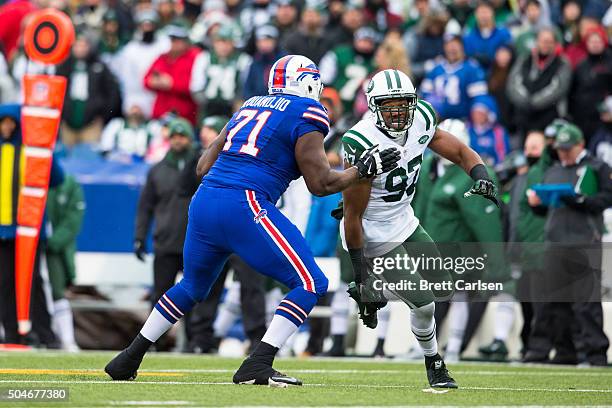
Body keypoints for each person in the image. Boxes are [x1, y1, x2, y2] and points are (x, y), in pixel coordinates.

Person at [105, 55, 402, 386]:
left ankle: (129, 356)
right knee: (310, 283)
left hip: (205, 201)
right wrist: (363, 169)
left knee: (191, 286)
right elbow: (321, 185)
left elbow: (202, 167)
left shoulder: (250, 106)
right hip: (245, 203)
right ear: (306, 83)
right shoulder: (308, 111)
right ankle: (258, 363)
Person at [340, 70, 499, 388]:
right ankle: (434, 362)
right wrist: (362, 275)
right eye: (389, 106)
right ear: (373, 107)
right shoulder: (360, 140)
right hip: (374, 231)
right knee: (424, 302)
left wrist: (479, 173)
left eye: (404, 104)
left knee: (444, 289)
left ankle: (379, 294)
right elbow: (352, 215)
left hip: (405, 219)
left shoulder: (423, 117)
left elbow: (458, 151)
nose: (398, 113)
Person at [526, 123, 611, 366]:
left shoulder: (597, 167)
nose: (563, 153)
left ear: (580, 145)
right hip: (555, 241)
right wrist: (537, 203)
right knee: (555, 301)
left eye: (567, 148)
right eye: (560, 149)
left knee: (586, 302)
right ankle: (565, 351)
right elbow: (547, 208)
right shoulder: (553, 170)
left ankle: (595, 353)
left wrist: (580, 200)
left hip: (584, 240)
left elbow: (606, 197)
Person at [0, 103, 63, 347]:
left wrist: (45, 149)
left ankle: (44, 335)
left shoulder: (33, 149)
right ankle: (12, 334)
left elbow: (57, 179)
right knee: (5, 284)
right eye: (3, 122)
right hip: (3, 232)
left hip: (29, 229)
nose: (6, 127)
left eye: (10, 122)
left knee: (33, 282)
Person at [133, 117, 197, 349]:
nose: (178, 140)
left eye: (183, 136)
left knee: (194, 294)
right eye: (175, 136)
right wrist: (140, 237)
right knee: (160, 294)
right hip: (166, 241)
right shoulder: (157, 170)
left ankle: (194, 342)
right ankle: (155, 342)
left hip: (194, 241)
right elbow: (145, 207)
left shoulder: (201, 167)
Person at [56, 31, 121, 147]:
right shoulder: (64, 67)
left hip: (92, 125)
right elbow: (56, 92)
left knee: (89, 159)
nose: (80, 49)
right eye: (77, 45)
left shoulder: (99, 66)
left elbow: (113, 92)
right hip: (67, 125)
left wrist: (104, 116)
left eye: (83, 45)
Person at [506, 27, 572, 138]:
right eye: (543, 41)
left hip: (549, 118)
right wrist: (524, 100)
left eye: (550, 41)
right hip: (524, 117)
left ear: (555, 44)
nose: (546, 44)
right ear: (536, 42)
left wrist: (535, 101)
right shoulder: (524, 59)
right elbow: (513, 83)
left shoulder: (562, 63)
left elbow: (558, 88)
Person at [46, 174, 85, 352]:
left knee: (56, 292)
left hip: (54, 250)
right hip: (24, 246)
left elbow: (72, 220)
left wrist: (52, 242)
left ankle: (67, 340)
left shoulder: (68, 182)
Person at [144, 19, 201, 125]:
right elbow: (146, 80)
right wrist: (154, 82)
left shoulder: (196, 56)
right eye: (172, 39)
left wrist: (172, 83)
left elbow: (195, 86)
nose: (174, 42)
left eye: (178, 39)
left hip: (185, 117)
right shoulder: (163, 57)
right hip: (161, 115)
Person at [420, 34, 489, 120]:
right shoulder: (436, 68)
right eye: (449, 45)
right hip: (436, 119)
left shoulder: (471, 68)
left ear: (462, 47)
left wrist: (478, 110)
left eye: (455, 45)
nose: (452, 48)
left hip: (462, 120)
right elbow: (424, 93)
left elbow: (479, 96)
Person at [190, 23, 251, 118]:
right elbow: (196, 87)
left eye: (227, 42)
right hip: (208, 109)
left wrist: (239, 103)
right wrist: (207, 102)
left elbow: (246, 87)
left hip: (233, 109)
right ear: (214, 43)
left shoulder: (243, 60)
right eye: (219, 42)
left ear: (233, 43)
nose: (223, 46)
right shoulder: (204, 58)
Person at [320, 26, 378, 115]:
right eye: (363, 41)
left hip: (361, 108)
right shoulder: (339, 54)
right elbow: (324, 79)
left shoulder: (376, 61)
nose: (366, 45)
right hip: (336, 104)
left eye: (369, 42)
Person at [463, 0, 512, 72]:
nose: (483, 16)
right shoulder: (468, 38)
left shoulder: (504, 34)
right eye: (480, 12)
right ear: (475, 14)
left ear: (493, 13)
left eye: (486, 12)